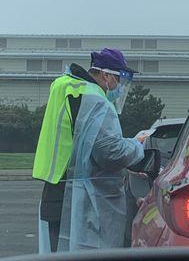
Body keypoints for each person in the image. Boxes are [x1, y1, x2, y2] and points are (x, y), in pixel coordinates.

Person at [32, 48, 145, 252]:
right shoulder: (94, 99)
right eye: (118, 80)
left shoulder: (65, 85)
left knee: (55, 251)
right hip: (74, 194)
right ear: (106, 75)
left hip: (55, 186)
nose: (120, 87)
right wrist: (137, 146)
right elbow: (110, 152)